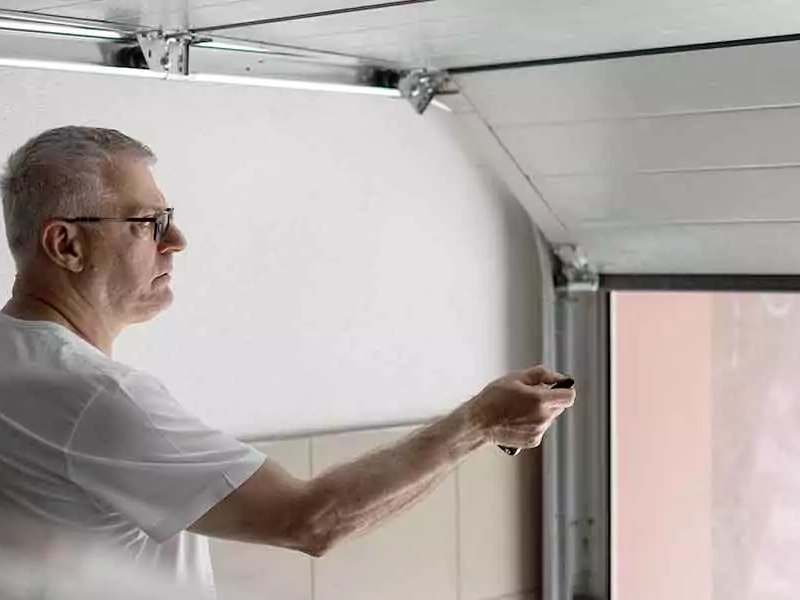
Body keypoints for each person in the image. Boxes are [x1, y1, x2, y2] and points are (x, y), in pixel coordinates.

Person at [0, 126, 576, 597]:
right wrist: (478, 422)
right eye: (147, 223)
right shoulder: (98, 399)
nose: (176, 239)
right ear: (66, 245)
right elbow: (310, 520)